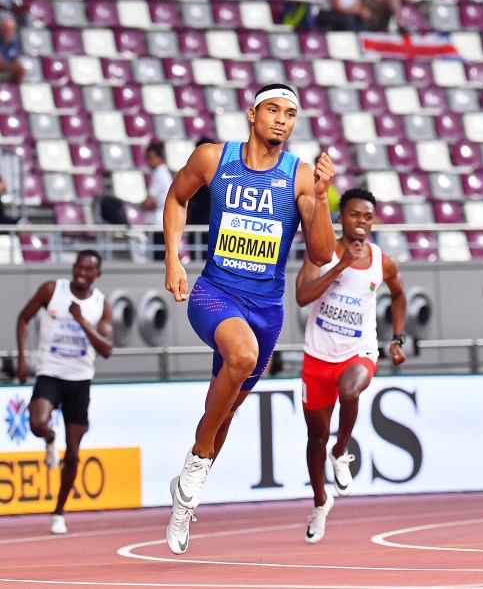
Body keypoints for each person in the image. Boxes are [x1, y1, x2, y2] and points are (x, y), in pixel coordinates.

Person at [161, 83, 337, 555]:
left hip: (266, 310)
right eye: (274, 110)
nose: (282, 119)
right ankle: (196, 467)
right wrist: (173, 260)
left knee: (226, 411)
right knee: (242, 354)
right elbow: (177, 198)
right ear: (252, 114)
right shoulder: (214, 159)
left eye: (291, 114)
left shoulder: (299, 177)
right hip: (215, 292)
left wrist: (320, 198)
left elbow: (322, 252)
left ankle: (183, 498)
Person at [296, 186, 407, 543]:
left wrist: (397, 339)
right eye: (355, 215)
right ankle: (319, 502)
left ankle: (341, 450)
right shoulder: (321, 252)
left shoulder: (382, 261)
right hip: (317, 356)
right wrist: (340, 266)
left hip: (359, 351)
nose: (361, 223)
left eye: (368, 217)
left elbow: (399, 294)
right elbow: (301, 297)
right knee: (315, 438)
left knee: (350, 389)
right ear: (340, 217)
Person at [15, 250, 113, 535]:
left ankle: (58, 512)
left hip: (79, 380)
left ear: (97, 274)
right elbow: (23, 318)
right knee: (37, 424)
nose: (81, 272)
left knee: (72, 455)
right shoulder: (51, 290)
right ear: (73, 267)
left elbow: (107, 349)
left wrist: (81, 321)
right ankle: (49, 437)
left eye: (88, 269)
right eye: (78, 267)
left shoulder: (100, 305)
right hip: (50, 372)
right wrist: (23, 359)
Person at [143, 142, 173, 260]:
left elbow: (150, 202)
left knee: (158, 258)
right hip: (163, 222)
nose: (148, 162)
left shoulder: (159, 174)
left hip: (157, 223)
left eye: (151, 158)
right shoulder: (165, 174)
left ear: (160, 157)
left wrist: (142, 205)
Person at [0, 14, 24, 83]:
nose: (9, 32)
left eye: (11, 30)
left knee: (20, 70)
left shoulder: (14, 41)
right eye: (6, 29)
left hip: (7, 66)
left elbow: (15, 59)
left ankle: (15, 90)